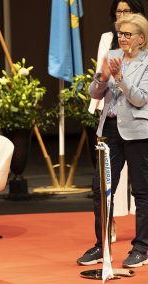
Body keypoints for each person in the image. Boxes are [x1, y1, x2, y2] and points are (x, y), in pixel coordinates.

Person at [77, 13, 148, 268]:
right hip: (109, 128)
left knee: (141, 191)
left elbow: (140, 99)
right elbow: (95, 93)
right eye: (120, 34)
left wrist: (119, 78)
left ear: (141, 38)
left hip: (138, 132)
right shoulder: (112, 56)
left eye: (128, 34)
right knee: (100, 189)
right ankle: (102, 246)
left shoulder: (147, 61)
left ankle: (141, 247)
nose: (122, 38)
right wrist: (102, 78)